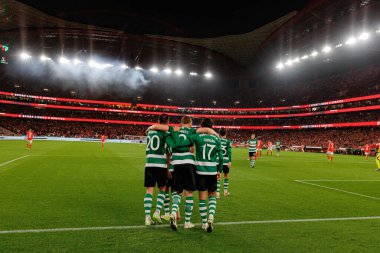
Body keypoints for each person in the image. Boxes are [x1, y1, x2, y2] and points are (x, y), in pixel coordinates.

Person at [147, 116, 219, 230]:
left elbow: (157, 126)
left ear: (181, 123)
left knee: (177, 192)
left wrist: (150, 128)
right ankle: (187, 222)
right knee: (189, 192)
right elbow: (207, 130)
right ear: (190, 123)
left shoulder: (174, 129)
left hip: (176, 163)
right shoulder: (192, 130)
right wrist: (217, 135)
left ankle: (173, 213)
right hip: (189, 163)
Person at [170, 118, 223, 233]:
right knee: (203, 194)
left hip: (184, 166)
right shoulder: (207, 136)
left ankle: (174, 213)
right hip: (203, 168)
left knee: (182, 193)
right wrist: (220, 170)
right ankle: (203, 219)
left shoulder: (183, 132)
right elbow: (221, 157)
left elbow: (177, 144)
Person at [143, 114, 176, 226]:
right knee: (162, 188)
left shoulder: (150, 132)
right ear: (167, 122)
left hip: (149, 163)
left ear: (158, 120)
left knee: (149, 190)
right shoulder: (166, 133)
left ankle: (147, 217)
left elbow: (150, 130)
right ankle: (157, 212)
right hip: (161, 164)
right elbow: (170, 150)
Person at [216, 128, 232, 198]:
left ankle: (217, 193)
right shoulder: (228, 141)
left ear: (219, 133)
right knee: (226, 176)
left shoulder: (217, 140)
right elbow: (229, 152)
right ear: (226, 133)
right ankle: (225, 192)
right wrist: (230, 161)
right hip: (225, 161)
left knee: (218, 177)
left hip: (218, 160)